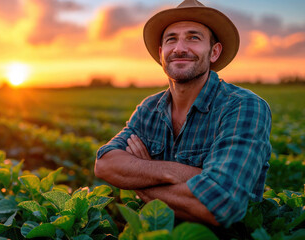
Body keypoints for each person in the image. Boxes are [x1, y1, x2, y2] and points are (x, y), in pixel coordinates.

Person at [94, 0, 272, 227]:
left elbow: (221, 205)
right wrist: (183, 174)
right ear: (161, 53)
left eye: (193, 38)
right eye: (171, 39)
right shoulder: (149, 109)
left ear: (214, 52)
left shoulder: (243, 106)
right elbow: (105, 164)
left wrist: (139, 177)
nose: (179, 48)